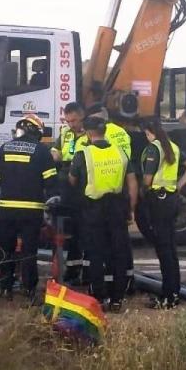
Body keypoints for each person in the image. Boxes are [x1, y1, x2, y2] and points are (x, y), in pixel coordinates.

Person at [68, 116, 138, 312]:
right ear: (104, 132)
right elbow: (132, 182)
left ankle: (98, 298)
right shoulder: (120, 153)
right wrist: (131, 209)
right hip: (117, 207)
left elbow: (72, 181)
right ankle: (117, 299)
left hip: (93, 209)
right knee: (118, 254)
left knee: (96, 254)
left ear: (89, 134)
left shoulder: (84, 154)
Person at [0, 114, 58, 300]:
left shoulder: (4, 148)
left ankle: (5, 288)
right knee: (29, 251)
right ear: (37, 132)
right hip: (31, 210)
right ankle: (28, 289)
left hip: (7, 209)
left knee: (6, 249)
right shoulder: (42, 151)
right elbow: (51, 182)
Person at [139, 118, 186, 309]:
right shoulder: (172, 146)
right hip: (171, 199)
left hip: (159, 201)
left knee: (163, 249)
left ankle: (168, 296)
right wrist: (178, 186)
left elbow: (147, 180)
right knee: (170, 249)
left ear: (149, 132)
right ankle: (173, 292)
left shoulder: (154, 148)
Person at [53, 102, 90, 283]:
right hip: (66, 178)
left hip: (84, 180)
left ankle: (87, 270)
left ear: (82, 116)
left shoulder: (91, 133)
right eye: (67, 121)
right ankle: (72, 269)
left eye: (73, 120)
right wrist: (54, 154)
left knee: (85, 227)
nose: (70, 124)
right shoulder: (65, 133)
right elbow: (56, 149)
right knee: (69, 229)